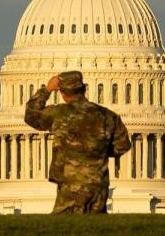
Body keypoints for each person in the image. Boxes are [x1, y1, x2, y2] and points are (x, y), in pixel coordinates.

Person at [24, 71, 131, 214]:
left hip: (70, 184)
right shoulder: (108, 116)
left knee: (63, 226)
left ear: (62, 93)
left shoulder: (59, 114)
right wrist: (97, 152)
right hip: (98, 184)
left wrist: (47, 89)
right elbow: (123, 146)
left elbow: (31, 115)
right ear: (83, 89)